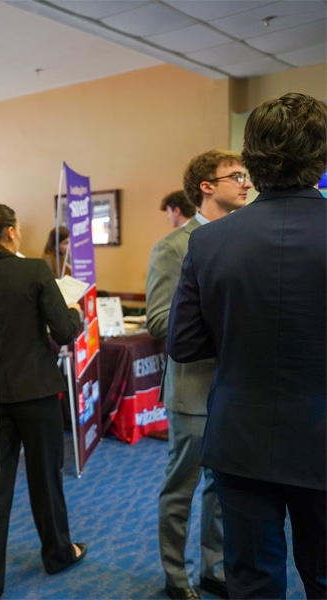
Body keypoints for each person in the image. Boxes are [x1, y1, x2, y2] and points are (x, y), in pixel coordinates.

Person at [168, 92, 326, 599]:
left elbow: (185, 344)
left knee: (252, 582)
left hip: (241, 440)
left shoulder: (209, 241)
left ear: (252, 162)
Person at [0, 204, 87, 599]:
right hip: (36, 393)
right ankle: (58, 553)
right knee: (45, 480)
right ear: (12, 232)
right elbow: (65, 332)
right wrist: (75, 312)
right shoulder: (34, 271)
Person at [147, 149, 250, 600]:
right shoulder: (173, 246)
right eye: (236, 176)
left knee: (222, 487)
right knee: (181, 489)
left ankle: (214, 568)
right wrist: (225, 321)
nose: (246, 183)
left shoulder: (246, 238)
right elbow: (159, 322)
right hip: (192, 389)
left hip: (236, 389)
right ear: (207, 187)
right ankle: (176, 576)